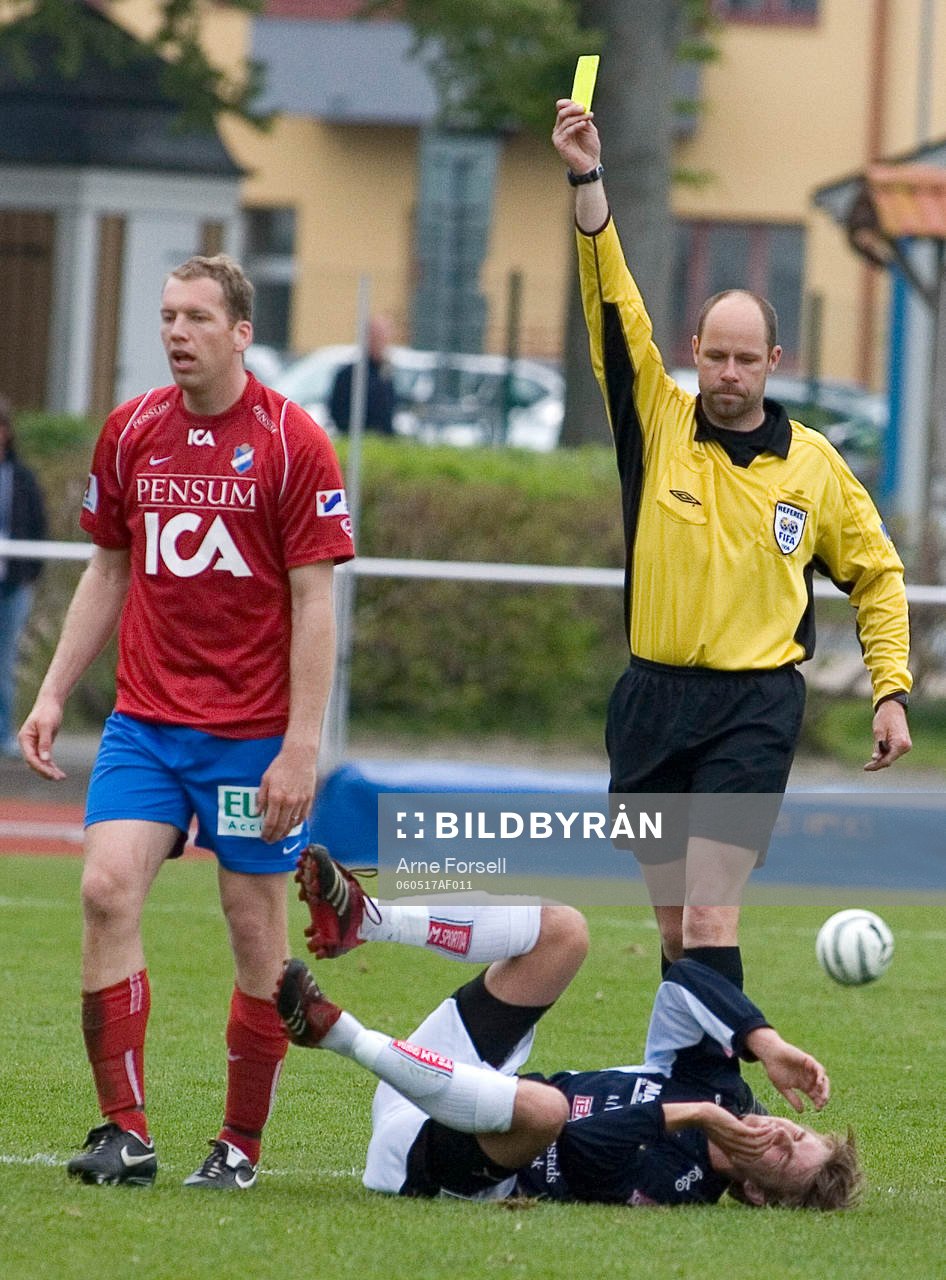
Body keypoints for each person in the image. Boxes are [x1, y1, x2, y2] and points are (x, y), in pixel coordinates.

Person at [551, 98, 913, 989]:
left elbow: (878, 576)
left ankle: (728, 1107)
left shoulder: (815, 468)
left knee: (713, 913)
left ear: (773, 361)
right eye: (716, 356)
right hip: (648, 703)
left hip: (752, 708)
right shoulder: (655, 421)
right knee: (676, 930)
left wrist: (891, 688)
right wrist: (587, 177)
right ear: (695, 352)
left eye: (746, 360)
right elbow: (611, 296)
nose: (728, 373)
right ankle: (692, 1096)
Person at [18, 254, 355, 1189]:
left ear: (241, 332)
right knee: (104, 890)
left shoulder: (292, 441)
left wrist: (300, 745)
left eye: (198, 317)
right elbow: (107, 569)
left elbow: (315, 602)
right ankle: (124, 1130)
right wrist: (51, 693)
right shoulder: (131, 432)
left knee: (254, 930)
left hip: (252, 738)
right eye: (167, 316)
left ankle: (239, 1145)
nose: (177, 332)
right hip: (146, 726)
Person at [276, 850, 859, 1210]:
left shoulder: (677, 1185)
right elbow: (686, 981)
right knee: (565, 931)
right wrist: (765, 1041)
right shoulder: (721, 1090)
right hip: (453, 1081)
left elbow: (581, 1145)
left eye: (784, 1157)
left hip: (434, 1162)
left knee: (545, 1109)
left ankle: (335, 1033)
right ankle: (369, 919)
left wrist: (695, 1118)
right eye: (799, 1135)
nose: (781, 1134)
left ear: (754, 1192)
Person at [0, 396, 47, 756]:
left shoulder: (22, 478)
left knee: (5, 661)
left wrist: (30, 573)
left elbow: (37, 527)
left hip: (13, 585)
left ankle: (4, 735)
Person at [329, 315, 396, 435]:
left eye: (384, 338)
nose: (382, 344)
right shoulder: (350, 375)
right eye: (377, 338)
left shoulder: (386, 375)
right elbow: (337, 412)